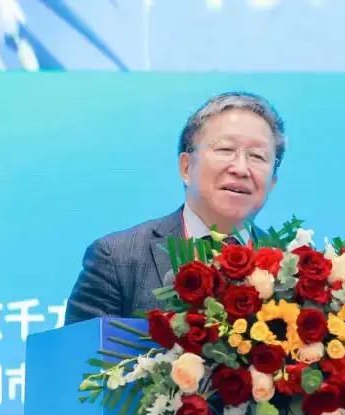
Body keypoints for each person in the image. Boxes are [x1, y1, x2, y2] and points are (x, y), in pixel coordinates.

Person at [65, 91, 285, 324]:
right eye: (225, 150)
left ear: (273, 181)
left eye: (257, 156)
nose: (241, 169)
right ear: (186, 167)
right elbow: (83, 348)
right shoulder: (117, 259)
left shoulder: (295, 267)